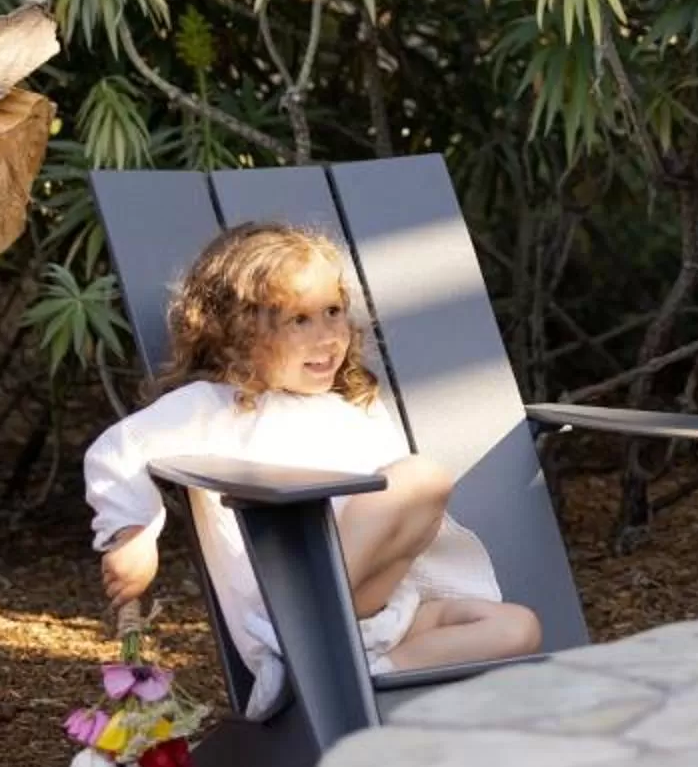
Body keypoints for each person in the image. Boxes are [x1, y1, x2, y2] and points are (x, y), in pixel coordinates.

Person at [86, 222, 539, 717]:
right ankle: (309, 656)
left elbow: (396, 536)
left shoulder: (354, 409)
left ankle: (364, 682)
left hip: (386, 620)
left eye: (333, 312)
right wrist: (134, 534)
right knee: (420, 478)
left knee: (520, 627)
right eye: (299, 320)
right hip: (289, 621)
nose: (327, 337)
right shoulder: (214, 407)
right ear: (237, 332)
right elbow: (118, 448)